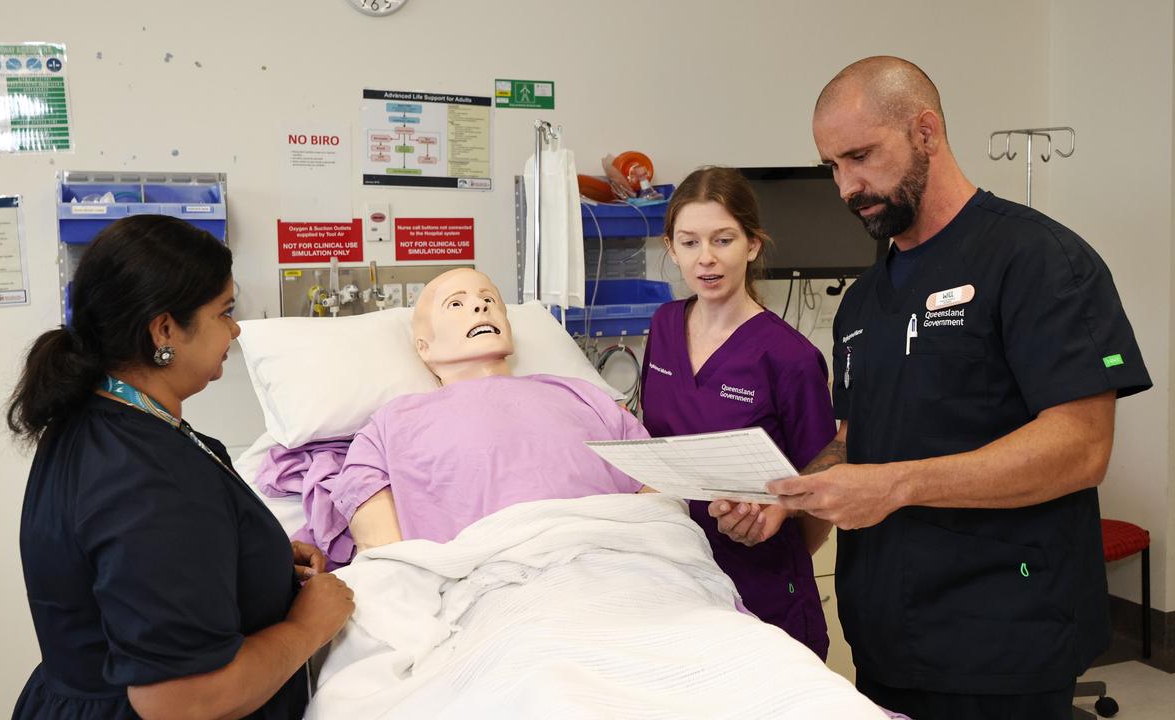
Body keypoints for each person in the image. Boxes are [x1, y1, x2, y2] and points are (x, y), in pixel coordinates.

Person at [760, 56, 1152, 718]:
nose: (846, 187)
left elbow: (1081, 448)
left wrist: (899, 484)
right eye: (832, 166)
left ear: (926, 131)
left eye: (861, 156)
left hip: (1006, 636)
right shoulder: (862, 304)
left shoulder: (1037, 261)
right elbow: (857, 441)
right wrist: (794, 499)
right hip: (887, 636)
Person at [7, 215, 354, 720]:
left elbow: (139, 570)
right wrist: (308, 626)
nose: (235, 330)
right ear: (164, 329)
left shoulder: (97, 420)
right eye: (224, 312)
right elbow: (183, 701)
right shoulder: (146, 478)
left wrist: (255, 561)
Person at [639, 166, 836, 659]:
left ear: (751, 244)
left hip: (765, 585)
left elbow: (823, 486)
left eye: (723, 239)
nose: (705, 259)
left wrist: (776, 552)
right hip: (678, 574)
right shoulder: (664, 325)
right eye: (689, 242)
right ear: (671, 248)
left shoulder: (789, 356)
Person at [320, 268, 650, 555]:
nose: (480, 306)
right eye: (456, 304)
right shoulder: (391, 425)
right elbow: (386, 556)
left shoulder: (584, 396)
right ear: (424, 346)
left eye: (489, 300)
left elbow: (658, 494)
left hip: (617, 556)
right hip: (489, 579)